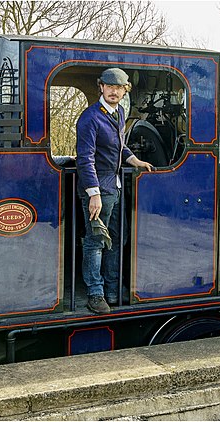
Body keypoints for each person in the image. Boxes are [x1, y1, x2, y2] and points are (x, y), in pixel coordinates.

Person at [76, 68, 153, 314]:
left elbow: (120, 147)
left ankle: (112, 288)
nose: (114, 91)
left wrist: (135, 162)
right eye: (110, 87)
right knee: (96, 240)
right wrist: (93, 194)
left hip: (115, 186)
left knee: (119, 237)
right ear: (101, 87)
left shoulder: (119, 112)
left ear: (124, 90)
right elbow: (84, 159)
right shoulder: (90, 118)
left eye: (119, 88)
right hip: (99, 189)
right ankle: (95, 293)